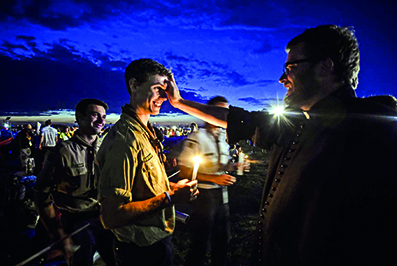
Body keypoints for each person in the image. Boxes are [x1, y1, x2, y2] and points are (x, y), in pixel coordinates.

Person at [164, 25, 397, 266]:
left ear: (324, 67)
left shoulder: (374, 132)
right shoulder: (295, 125)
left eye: (291, 67)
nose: (282, 78)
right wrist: (180, 102)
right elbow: (236, 118)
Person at [96, 58, 199, 266]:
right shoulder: (125, 140)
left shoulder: (146, 132)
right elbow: (112, 216)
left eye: (165, 90)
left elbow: (144, 185)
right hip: (139, 253)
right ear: (134, 85)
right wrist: (170, 198)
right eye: (157, 88)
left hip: (157, 244)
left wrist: (172, 187)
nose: (164, 97)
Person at [33, 98, 115, 266]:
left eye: (104, 117)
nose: (101, 121)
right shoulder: (62, 153)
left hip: (103, 218)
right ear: (80, 117)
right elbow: (41, 195)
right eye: (95, 115)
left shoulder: (106, 150)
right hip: (75, 223)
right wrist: (57, 233)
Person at [178, 96, 236, 266]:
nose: (222, 115)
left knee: (223, 240)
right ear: (208, 113)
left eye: (225, 111)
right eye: (218, 110)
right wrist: (213, 178)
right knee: (200, 243)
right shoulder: (197, 138)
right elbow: (185, 171)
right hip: (204, 197)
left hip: (222, 197)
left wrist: (234, 166)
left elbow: (220, 163)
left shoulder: (224, 137)